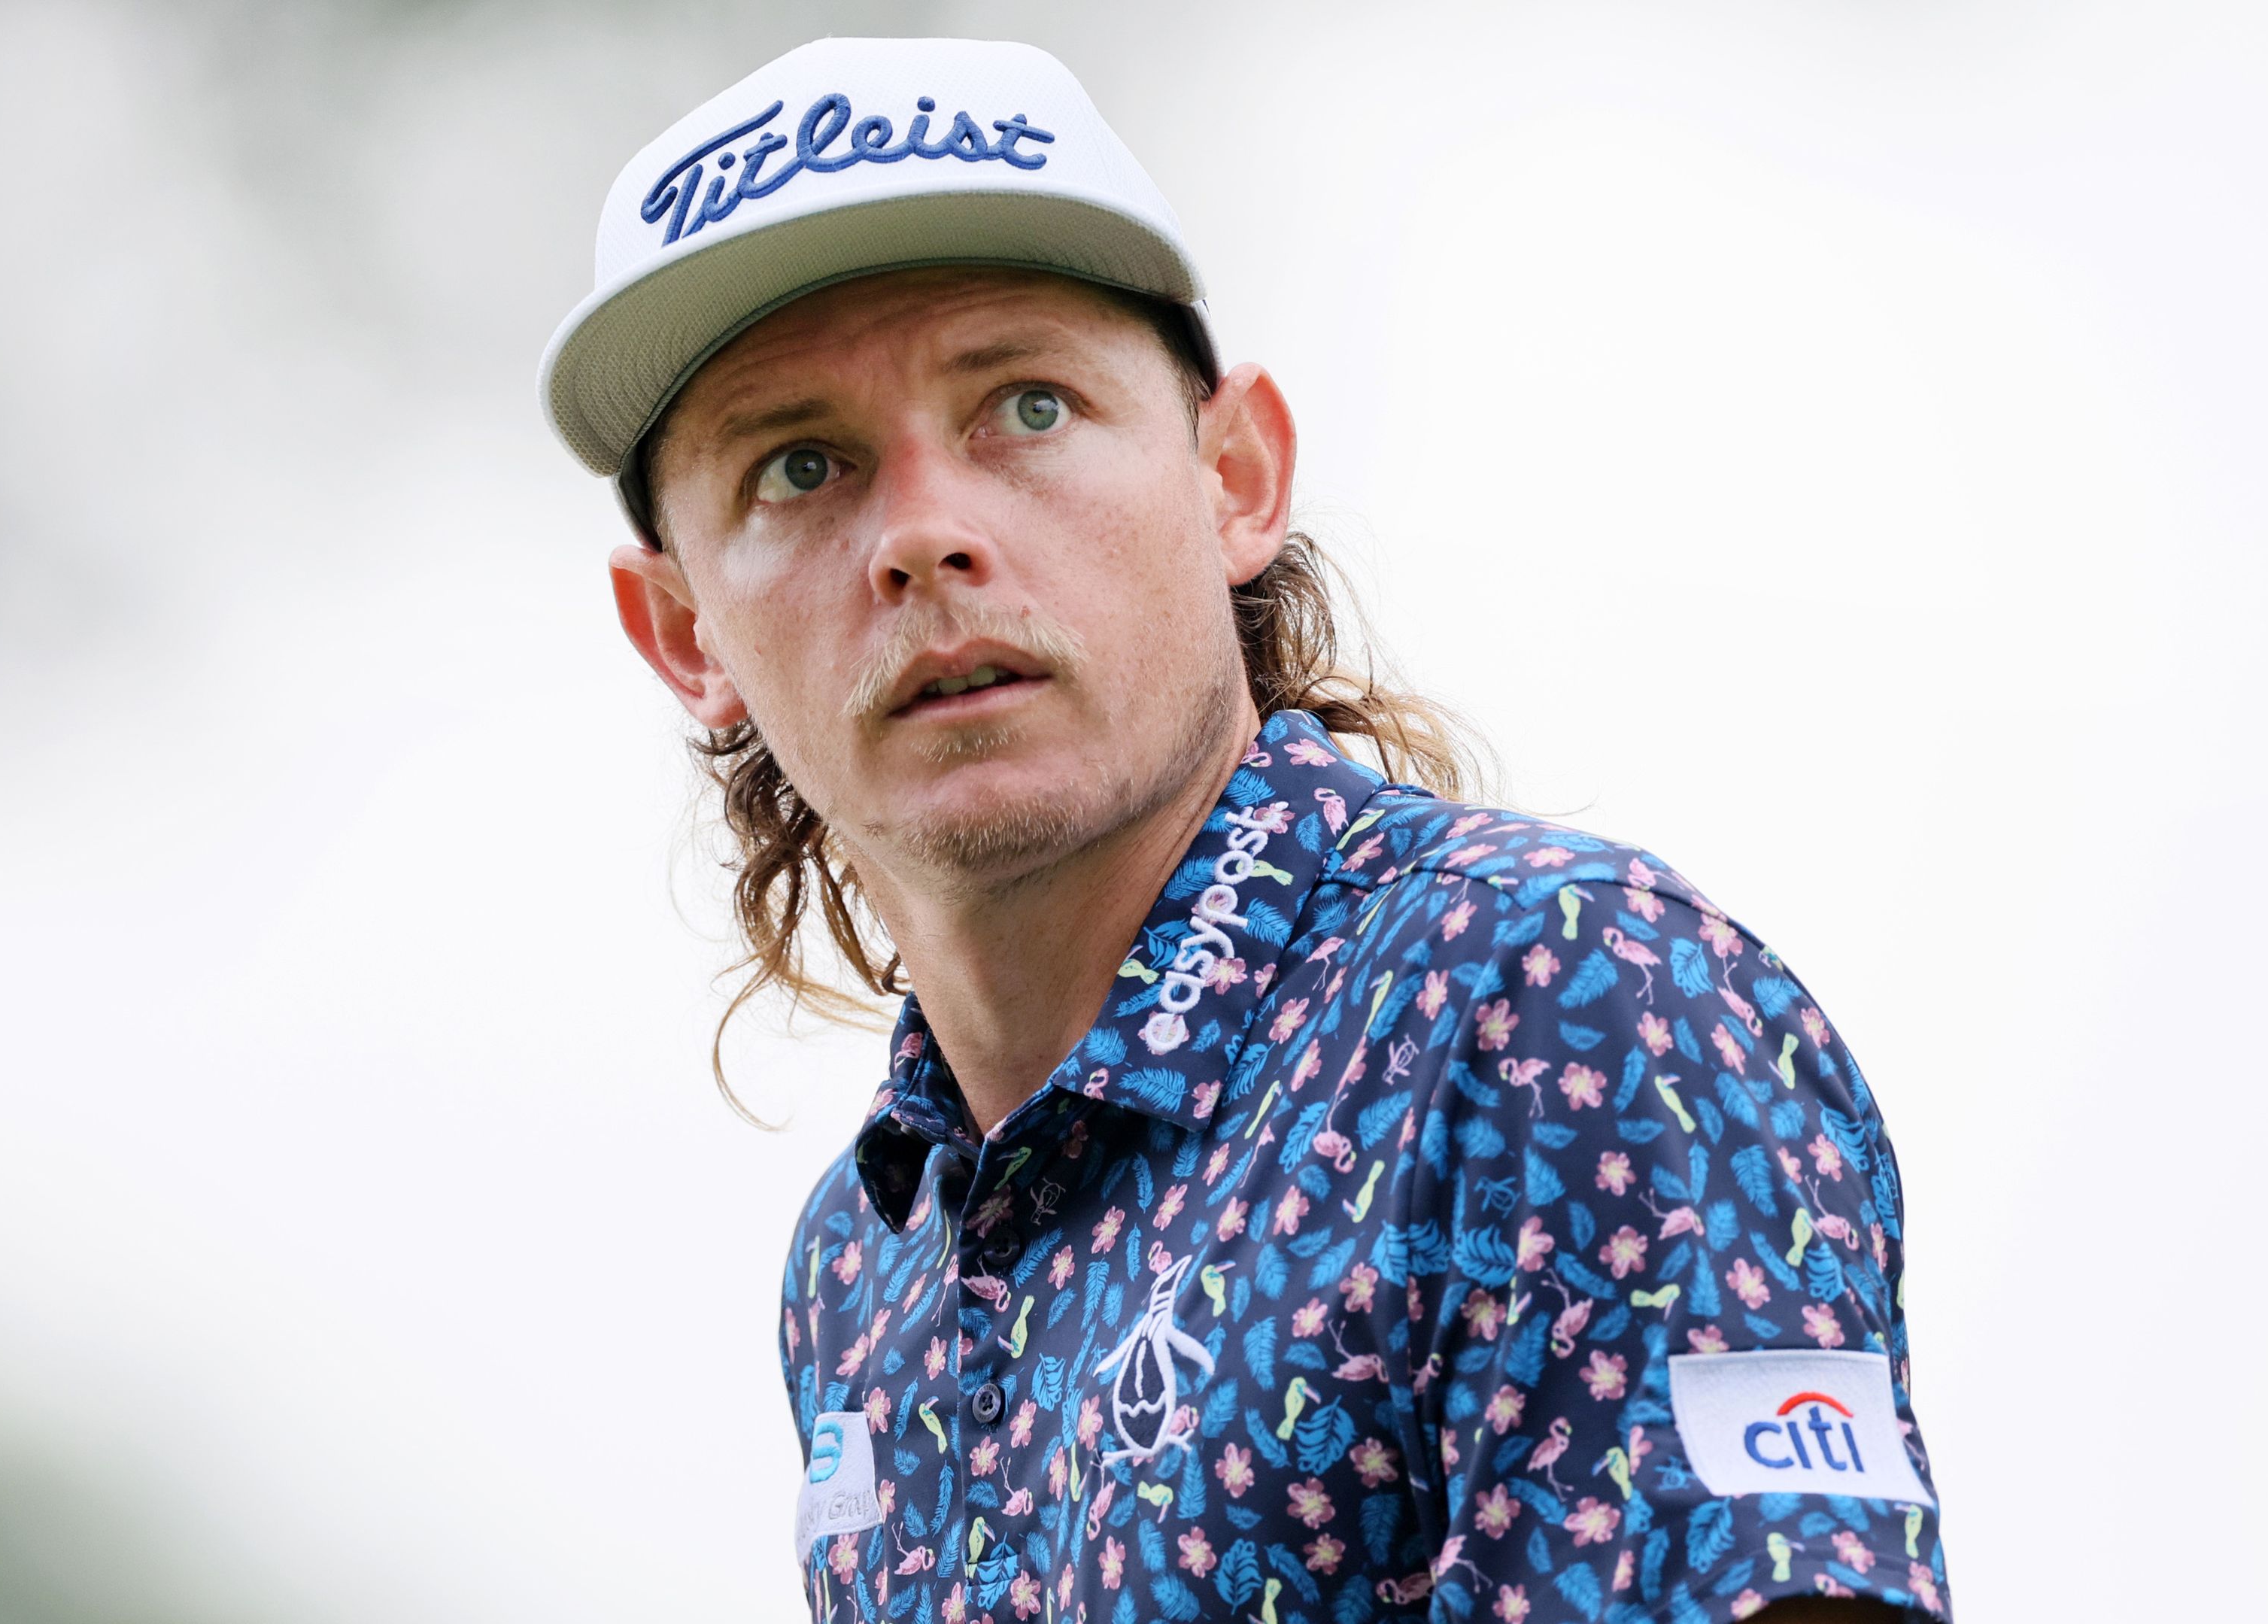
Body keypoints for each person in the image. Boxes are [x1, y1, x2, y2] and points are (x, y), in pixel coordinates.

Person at [539, 36, 1951, 1624]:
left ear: (1235, 475)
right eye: (801, 465)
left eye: (1027, 403)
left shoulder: (1562, 1003)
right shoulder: (857, 1273)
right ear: (685, 637)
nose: (925, 533)